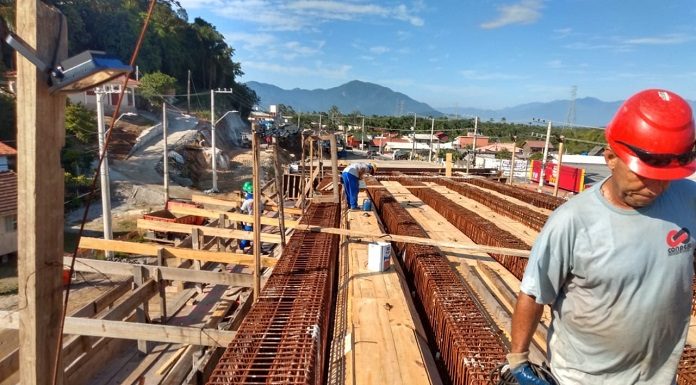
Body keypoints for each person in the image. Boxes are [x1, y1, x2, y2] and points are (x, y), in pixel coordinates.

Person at [508, 89, 696, 385]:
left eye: (665, 178)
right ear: (610, 157)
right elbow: (533, 294)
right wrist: (517, 360)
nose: (656, 189)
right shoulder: (572, 221)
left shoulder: (688, 199)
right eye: (644, 176)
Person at [238, 180, 264, 251]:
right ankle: (259, 247)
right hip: (258, 221)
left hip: (249, 222)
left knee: (247, 234)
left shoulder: (246, 202)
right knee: (257, 235)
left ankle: (242, 247)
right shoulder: (259, 201)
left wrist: (242, 221)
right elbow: (262, 210)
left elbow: (241, 211)